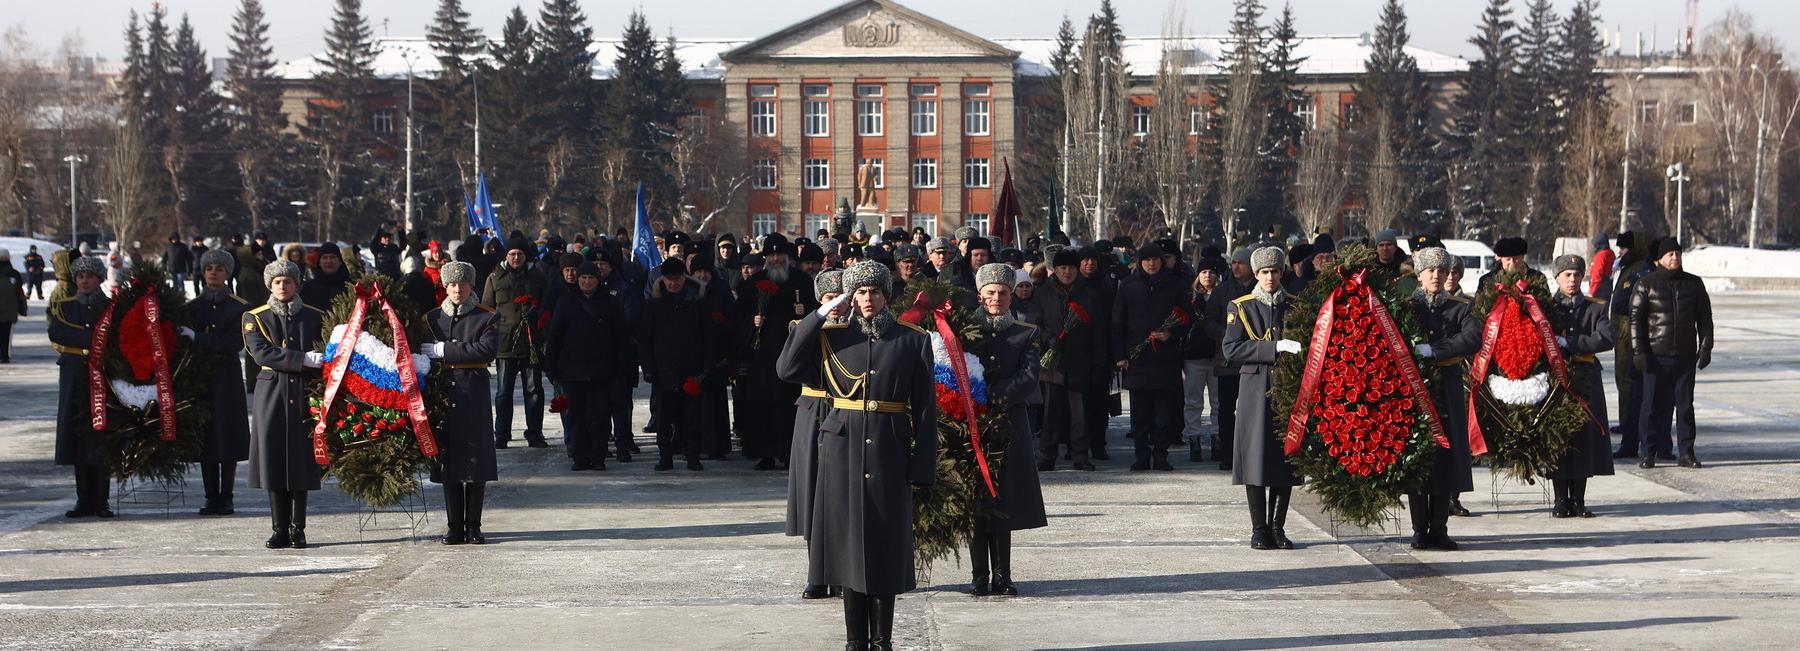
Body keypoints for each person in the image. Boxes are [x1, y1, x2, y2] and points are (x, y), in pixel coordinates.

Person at [776, 261, 936, 651]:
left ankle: (882, 641)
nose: (868, 299)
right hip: (841, 451)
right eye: (860, 292)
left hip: (889, 450)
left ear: (886, 296)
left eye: (875, 292)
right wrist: (819, 315)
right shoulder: (831, 338)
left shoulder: (912, 340)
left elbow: (925, 409)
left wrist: (922, 465)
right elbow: (786, 368)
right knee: (847, 546)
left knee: (884, 545)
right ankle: (855, 641)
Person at [969, 263, 1048, 596]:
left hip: (1008, 422)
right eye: (990, 292)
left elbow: (1029, 377)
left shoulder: (1025, 332)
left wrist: (992, 396)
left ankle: (1002, 574)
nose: (996, 298)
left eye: (1002, 292)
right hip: (971, 422)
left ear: (1011, 296)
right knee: (975, 500)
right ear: (980, 296)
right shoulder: (964, 331)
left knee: (1004, 499)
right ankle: (978, 575)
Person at [1221, 247, 1303, 549]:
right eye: (1265, 272)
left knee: (1285, 457)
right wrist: (1273, 348)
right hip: (1254, 389)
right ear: (1256, 274)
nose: (1270, 277)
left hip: (1287, 388)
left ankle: (1278, 528)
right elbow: (1231, 349)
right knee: (1255, 459)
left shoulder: (1294, 305)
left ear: (1282, 273)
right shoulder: (1241, 306)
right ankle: (1259, 529)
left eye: (1275, 271)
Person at [242, 260, 327, 549]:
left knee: (301, 462)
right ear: (269, 285)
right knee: (274, 461)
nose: (282, 286)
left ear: (296, 284)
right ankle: (279, 528)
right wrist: (302, 359)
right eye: (277, 282)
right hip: (272, 394)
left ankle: (297, 528)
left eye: (287, 281)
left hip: (303, 393)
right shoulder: (255, 317)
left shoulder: (314, 316)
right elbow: (261, 353)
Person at [422, 261, 502, 544]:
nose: (458, 290)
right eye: (453, 285)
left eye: (463, 284)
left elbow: (485, 350)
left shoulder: (486, 316)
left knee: (476, 461)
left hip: (472, 393)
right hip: (443, 395)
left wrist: (444, 350)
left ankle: (473, 526)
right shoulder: (432, 319)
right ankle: (454, 525)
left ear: (472, 286)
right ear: (445, 287)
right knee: (450, 462)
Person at [1407, 247, 1481, 551]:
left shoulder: (1460, 307)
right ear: (1419, 275)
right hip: (1415, 391)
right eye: (1430, 271)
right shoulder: (1407, 307)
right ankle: (1419, 529)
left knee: (1445, 459)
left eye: (1442, 271)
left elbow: (1472, 338)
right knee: (1417, 459)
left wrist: (1436, 351)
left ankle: (1439, 527)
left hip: (1447, 389)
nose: (1436, 276)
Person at [1631, 237, 1713, 469]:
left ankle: (1686, 452)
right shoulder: (1646, 284)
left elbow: (1705, 319)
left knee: (1685, 407)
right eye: (1670, 254)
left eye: (1677, 253)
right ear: (1660, 259)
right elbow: (1635, 320)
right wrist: (1639, 352)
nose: (1675, 257)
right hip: (1655, 357)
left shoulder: (1693, 284)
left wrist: (1705, 347)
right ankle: (1648, 452)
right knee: (1650, 406)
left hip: (1685, 357)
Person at [734, 234, 812, 470]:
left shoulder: (801, 281)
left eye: (780, 254)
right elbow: (737, 317)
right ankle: (765, 453)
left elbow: (815, 311)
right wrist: (752, 322)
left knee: (790, 405)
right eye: (772, 255)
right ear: (766, 258)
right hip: (763, 357)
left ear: (787, 257)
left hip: (793, 355)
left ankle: (789, 453)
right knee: (762, 405)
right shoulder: (753, 283)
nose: (776, 259)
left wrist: (805, 311)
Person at [1112, 243, 1189, 472]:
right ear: (1140, 262)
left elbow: (1188, 317)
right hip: (1137, 358)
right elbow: (1117, 322)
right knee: (1140, 414)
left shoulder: (1175, 284)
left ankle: (1161, 455)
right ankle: (1142, 456)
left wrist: (1171, 333)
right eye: (1147, 260)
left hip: (1165, 358)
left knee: (1164, 415)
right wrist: (1120, 355)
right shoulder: (1128, 285)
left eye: (1155, 259)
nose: (1151, 264)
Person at [543, 261, 627, 471]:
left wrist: (620, 367)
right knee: (575, 416)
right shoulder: (566, 302)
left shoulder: (610, 302)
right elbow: (555, 336)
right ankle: (579, 456)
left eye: (590, 278)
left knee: (600, 415)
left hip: (602, 369)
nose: (586, 282)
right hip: (572, 369)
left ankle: (598, 456)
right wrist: (551, 366)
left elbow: (620, 337)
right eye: (583, 278)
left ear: (598, 280)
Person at [791, 268, 844, 600]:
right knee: (812, 495)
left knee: (842, 499)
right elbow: (787, 368)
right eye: (829, 298)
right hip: (813, 413)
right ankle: (817, 575)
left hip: (846, 412)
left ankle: (841, 574)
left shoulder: (859, 330)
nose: (836, 305)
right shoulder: (804, 329)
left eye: (841, 298)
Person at [1548, 255, 1615, 517]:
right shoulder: (1547, 308)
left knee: (1584, 438)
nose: (1572, 279)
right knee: (1558, 438)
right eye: (1567, 275)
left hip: (1586, 377)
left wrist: (1573, 344)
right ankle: (1560, 499)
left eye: (1577, 274)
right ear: (1557, 278)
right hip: (1556, 379)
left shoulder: (1594, 308)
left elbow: (1606, 337)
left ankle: (1578, 500)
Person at [640, 258, 721, 471]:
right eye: (669, 279)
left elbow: (709, 337)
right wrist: (649, 368)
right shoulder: (654, 304)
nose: (673, 283)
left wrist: (707, 367)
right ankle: (665, 456)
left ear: (684, 278)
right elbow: (645, 339)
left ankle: (692, 456)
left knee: (692, 417)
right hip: (663, 371)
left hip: (692, 369)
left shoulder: (698, 301)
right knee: (664, 418)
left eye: (677, 279)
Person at [190, 249, 252, 515]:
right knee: (205, 437)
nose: (213, 272)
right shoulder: (193, 307)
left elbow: (232, 343)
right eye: (208, 268)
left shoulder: (239, 307)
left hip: (227, 378)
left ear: (228, 274)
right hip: (201, 378)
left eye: (219, 268)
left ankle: (226, 495)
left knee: (227, 436)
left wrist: (199, 339)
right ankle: (210, 496)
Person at [1032, 249, 1104, 471]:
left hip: (1080, 360)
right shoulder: (1042, 293)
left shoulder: (1089, 294)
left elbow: (1098, 331)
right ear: (1054, 269)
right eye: (1063, 267)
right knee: (1051, 414)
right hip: (1052, 362)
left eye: (1071, 268)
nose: (1067, 272)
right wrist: (1048, 338)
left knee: (1079, 414)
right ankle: (1047, 455)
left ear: (1077, 269)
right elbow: (1034, 325)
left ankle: (1080, 455)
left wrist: (1098, 362)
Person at [50, 256, 112, 517]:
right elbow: (57, 332)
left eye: (90, 276)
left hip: (102, 373)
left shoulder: (110, 307)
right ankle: (83, 499)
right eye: (80, 276)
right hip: (74, 374)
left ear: (100, 279)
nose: (84, 281)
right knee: (77, 436)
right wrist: (94, 338)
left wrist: (87, 339)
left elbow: (115, 335)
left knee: (101, 435)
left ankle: (101, 500)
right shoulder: (65, 306)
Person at [481, 236, 551, 449]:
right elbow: (486, 310)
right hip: (505, 344)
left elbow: (547, 305)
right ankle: (502, 434)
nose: (516, 258)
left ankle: (535, 433)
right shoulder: (495, 278)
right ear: (506, 256)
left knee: (534, 391)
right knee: (503, 393)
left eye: (520, 254)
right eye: (512, 254)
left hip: (531, 343)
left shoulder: (537, 277)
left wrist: (539, 321)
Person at [1610, 232, 1653, 458]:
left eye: (1624, 248)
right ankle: (1625, 421)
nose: (1620, 252)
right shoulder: (1628, 268)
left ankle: (1629, 425)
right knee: (1622, 379)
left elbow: (1635, 301)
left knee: (1629, 381)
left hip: (1630, 335)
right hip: (1622, 334)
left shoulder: (1640, 269)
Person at [1182, 257, 1224, 462]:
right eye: (1204, 272)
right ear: (1198, 275)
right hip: (1194, 357)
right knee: (1193, 401)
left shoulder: (1223, 296)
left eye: (1212, 272)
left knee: (1218, 402)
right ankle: (1194, 440)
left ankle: (1217, 439)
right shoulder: (1189, 298)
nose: (1208, 276)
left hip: (1217, 357)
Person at [1078, 246, 1118, 461]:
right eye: (1085, 260)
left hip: (1101, 350)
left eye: (1093, 260)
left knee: (1099, 403)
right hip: (1076, 351)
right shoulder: (1072, 285)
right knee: (1077, 405)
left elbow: (1114, 318)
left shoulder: (1106, 285)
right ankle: (1078, 446)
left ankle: (1098, 444)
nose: (1089, 264)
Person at [299, 242, 352, 312]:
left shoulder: (351, 287)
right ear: (319, 263)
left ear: (340, 261)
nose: (328, 261)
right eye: (324, 257)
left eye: (332, 257)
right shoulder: (308, 288)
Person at [0, 250, 22, 363]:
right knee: (6, 334)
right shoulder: (15, 274)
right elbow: (19, 293)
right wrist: (22, 309)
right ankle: (5, 356)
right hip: (10, 310)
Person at [1588, 234, 1616, 301]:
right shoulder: (1611, 253)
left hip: (1599, 289)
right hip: (1608, 287)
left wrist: (1591, 292)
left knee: (1595, 307)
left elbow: (1597, 273)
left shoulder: (1601, 255)